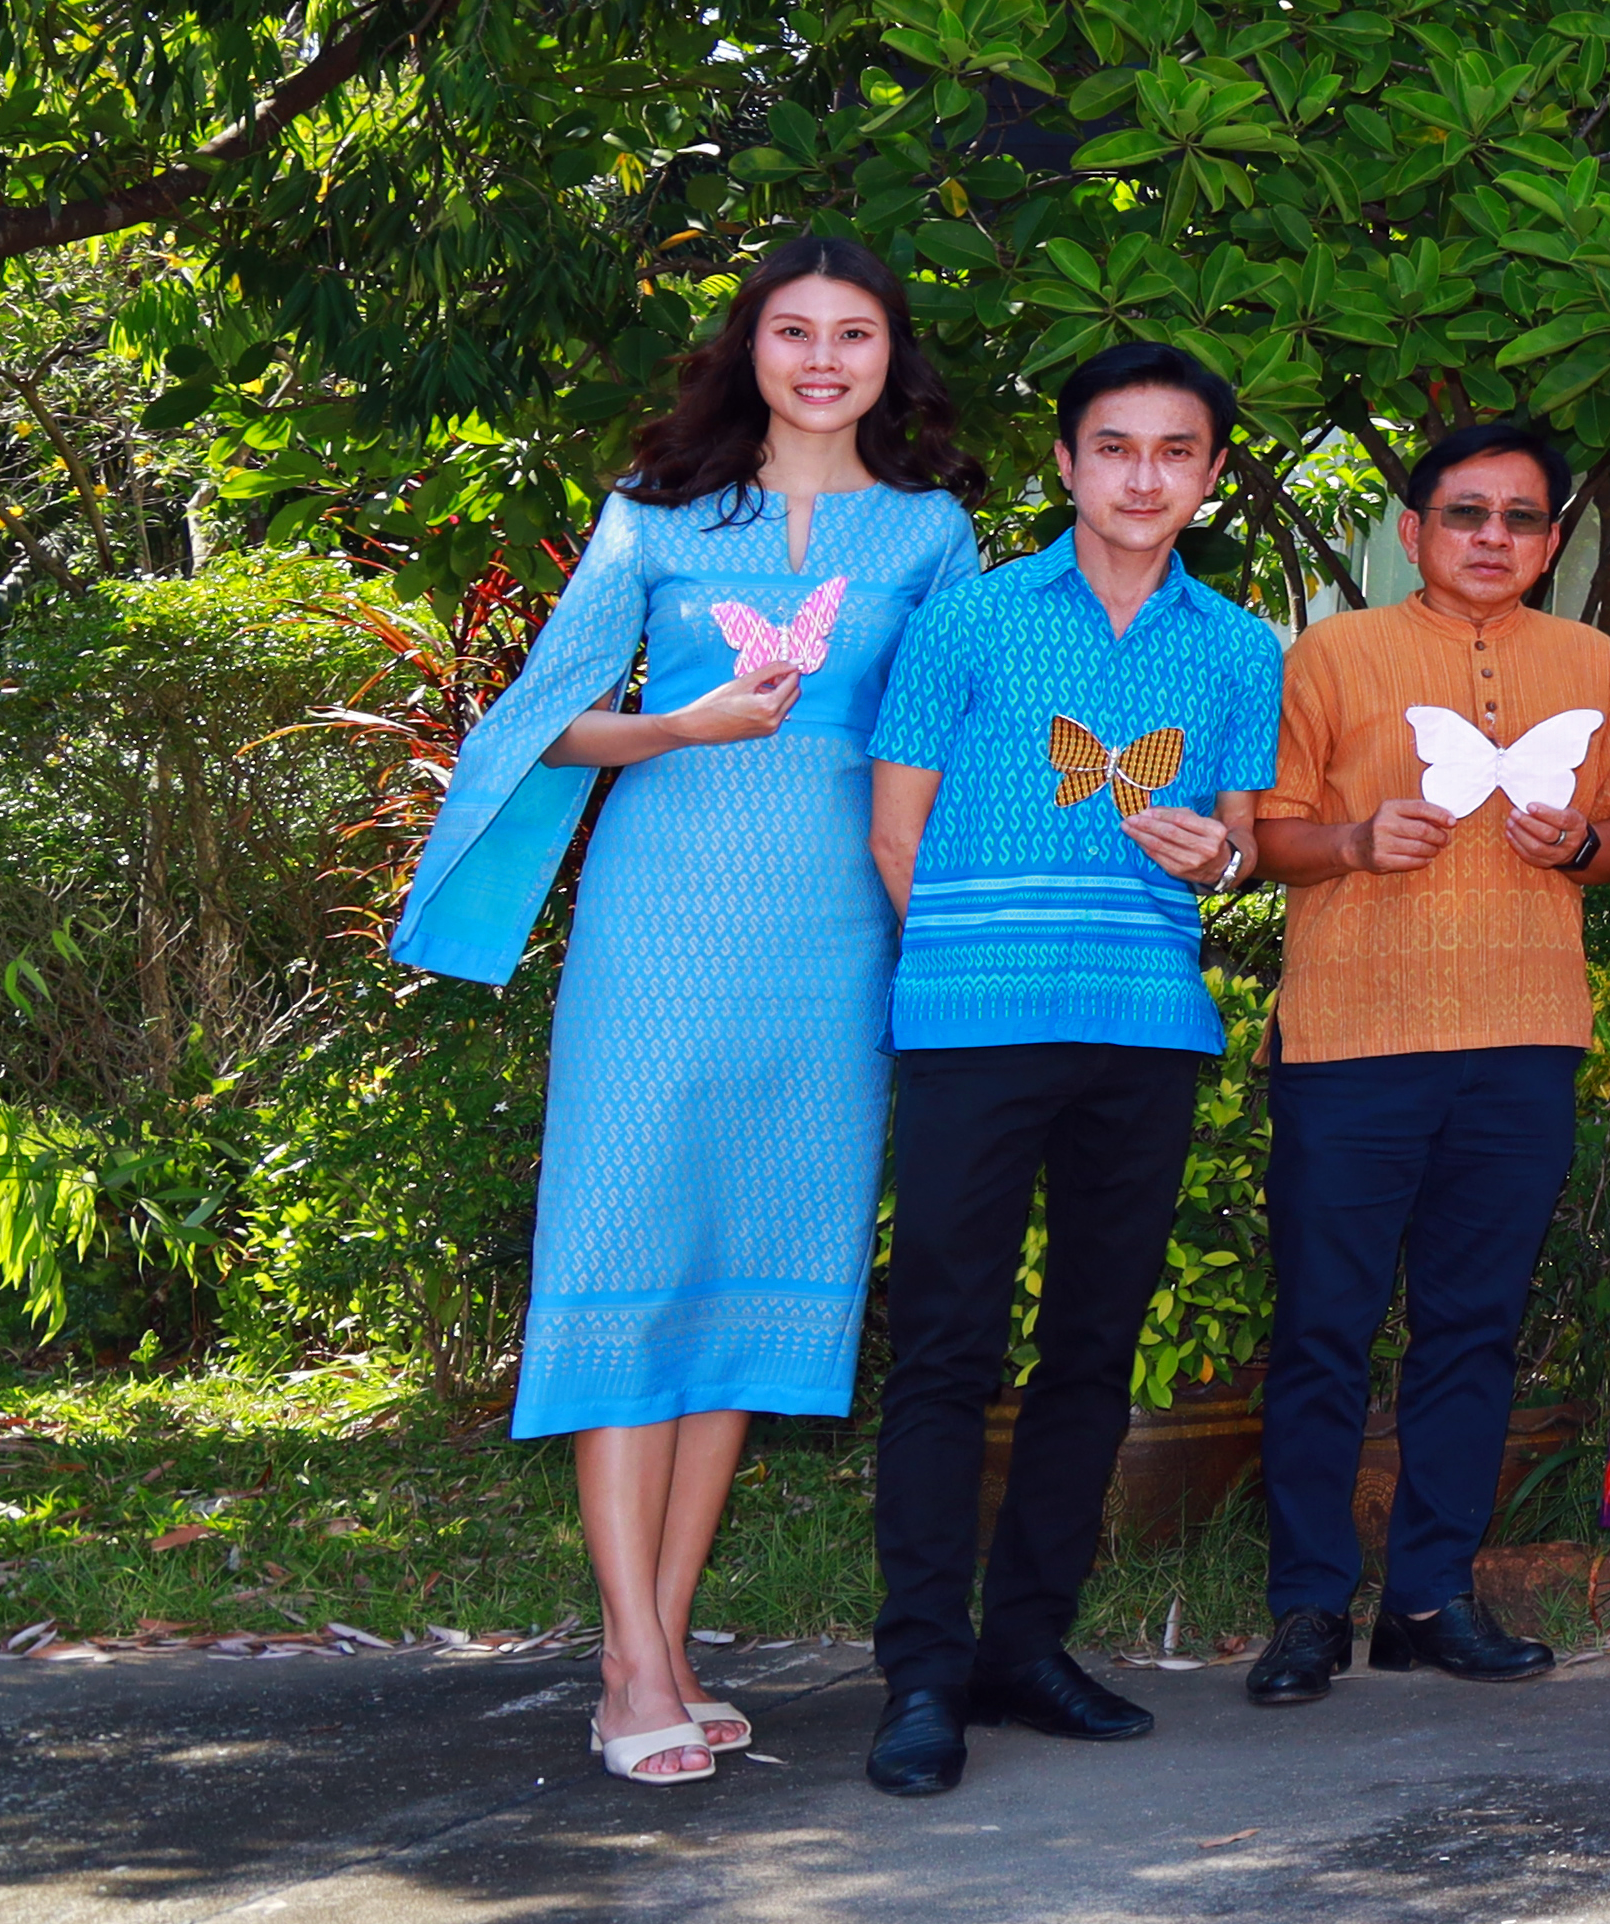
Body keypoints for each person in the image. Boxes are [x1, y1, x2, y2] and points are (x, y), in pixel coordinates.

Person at [402, 236, 980, 1789]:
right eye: (794, 332)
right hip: (658, 927)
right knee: (633, 1255)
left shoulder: (930, 531)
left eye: (853, 335)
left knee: (748, 1271)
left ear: (890, 358)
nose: (822, 361)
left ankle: (657, 1641)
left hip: (837, 938)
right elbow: (546, 721)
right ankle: (632, 1663)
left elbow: (951, 734)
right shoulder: (655, 514)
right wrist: (681, 724)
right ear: (749, 349)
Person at [855, 339, 1284, 1802]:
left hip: (1144, 1030)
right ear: (1067, 463)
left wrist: (1219, 857)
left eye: (1176, 451)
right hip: (971, 1027)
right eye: (1116, 446)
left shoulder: (1238, 646)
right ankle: (923, 1672)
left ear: (1210, 475)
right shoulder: (967, 620)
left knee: (1092, 1350)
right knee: (946, 1348)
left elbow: (1238, 845)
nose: (1144, 476)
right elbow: (895, 831)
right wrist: (968, 968)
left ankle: (1026, 1646)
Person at [1240, 417, 1610, 1706]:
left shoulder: (1593, 661)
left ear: (1553, 541)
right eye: (1467, 512)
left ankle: (1429, 1595)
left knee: (1474, 1326)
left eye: (1521, 518)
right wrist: (1355, 841)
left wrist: (1581, 845)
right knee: (1324, 1326)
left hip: (1524, 1035)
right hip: (1354, 1038)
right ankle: (1308, 1603)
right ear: (1413, 529)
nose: (1492, 537)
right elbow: (1267, 837)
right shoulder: (1333, 653)